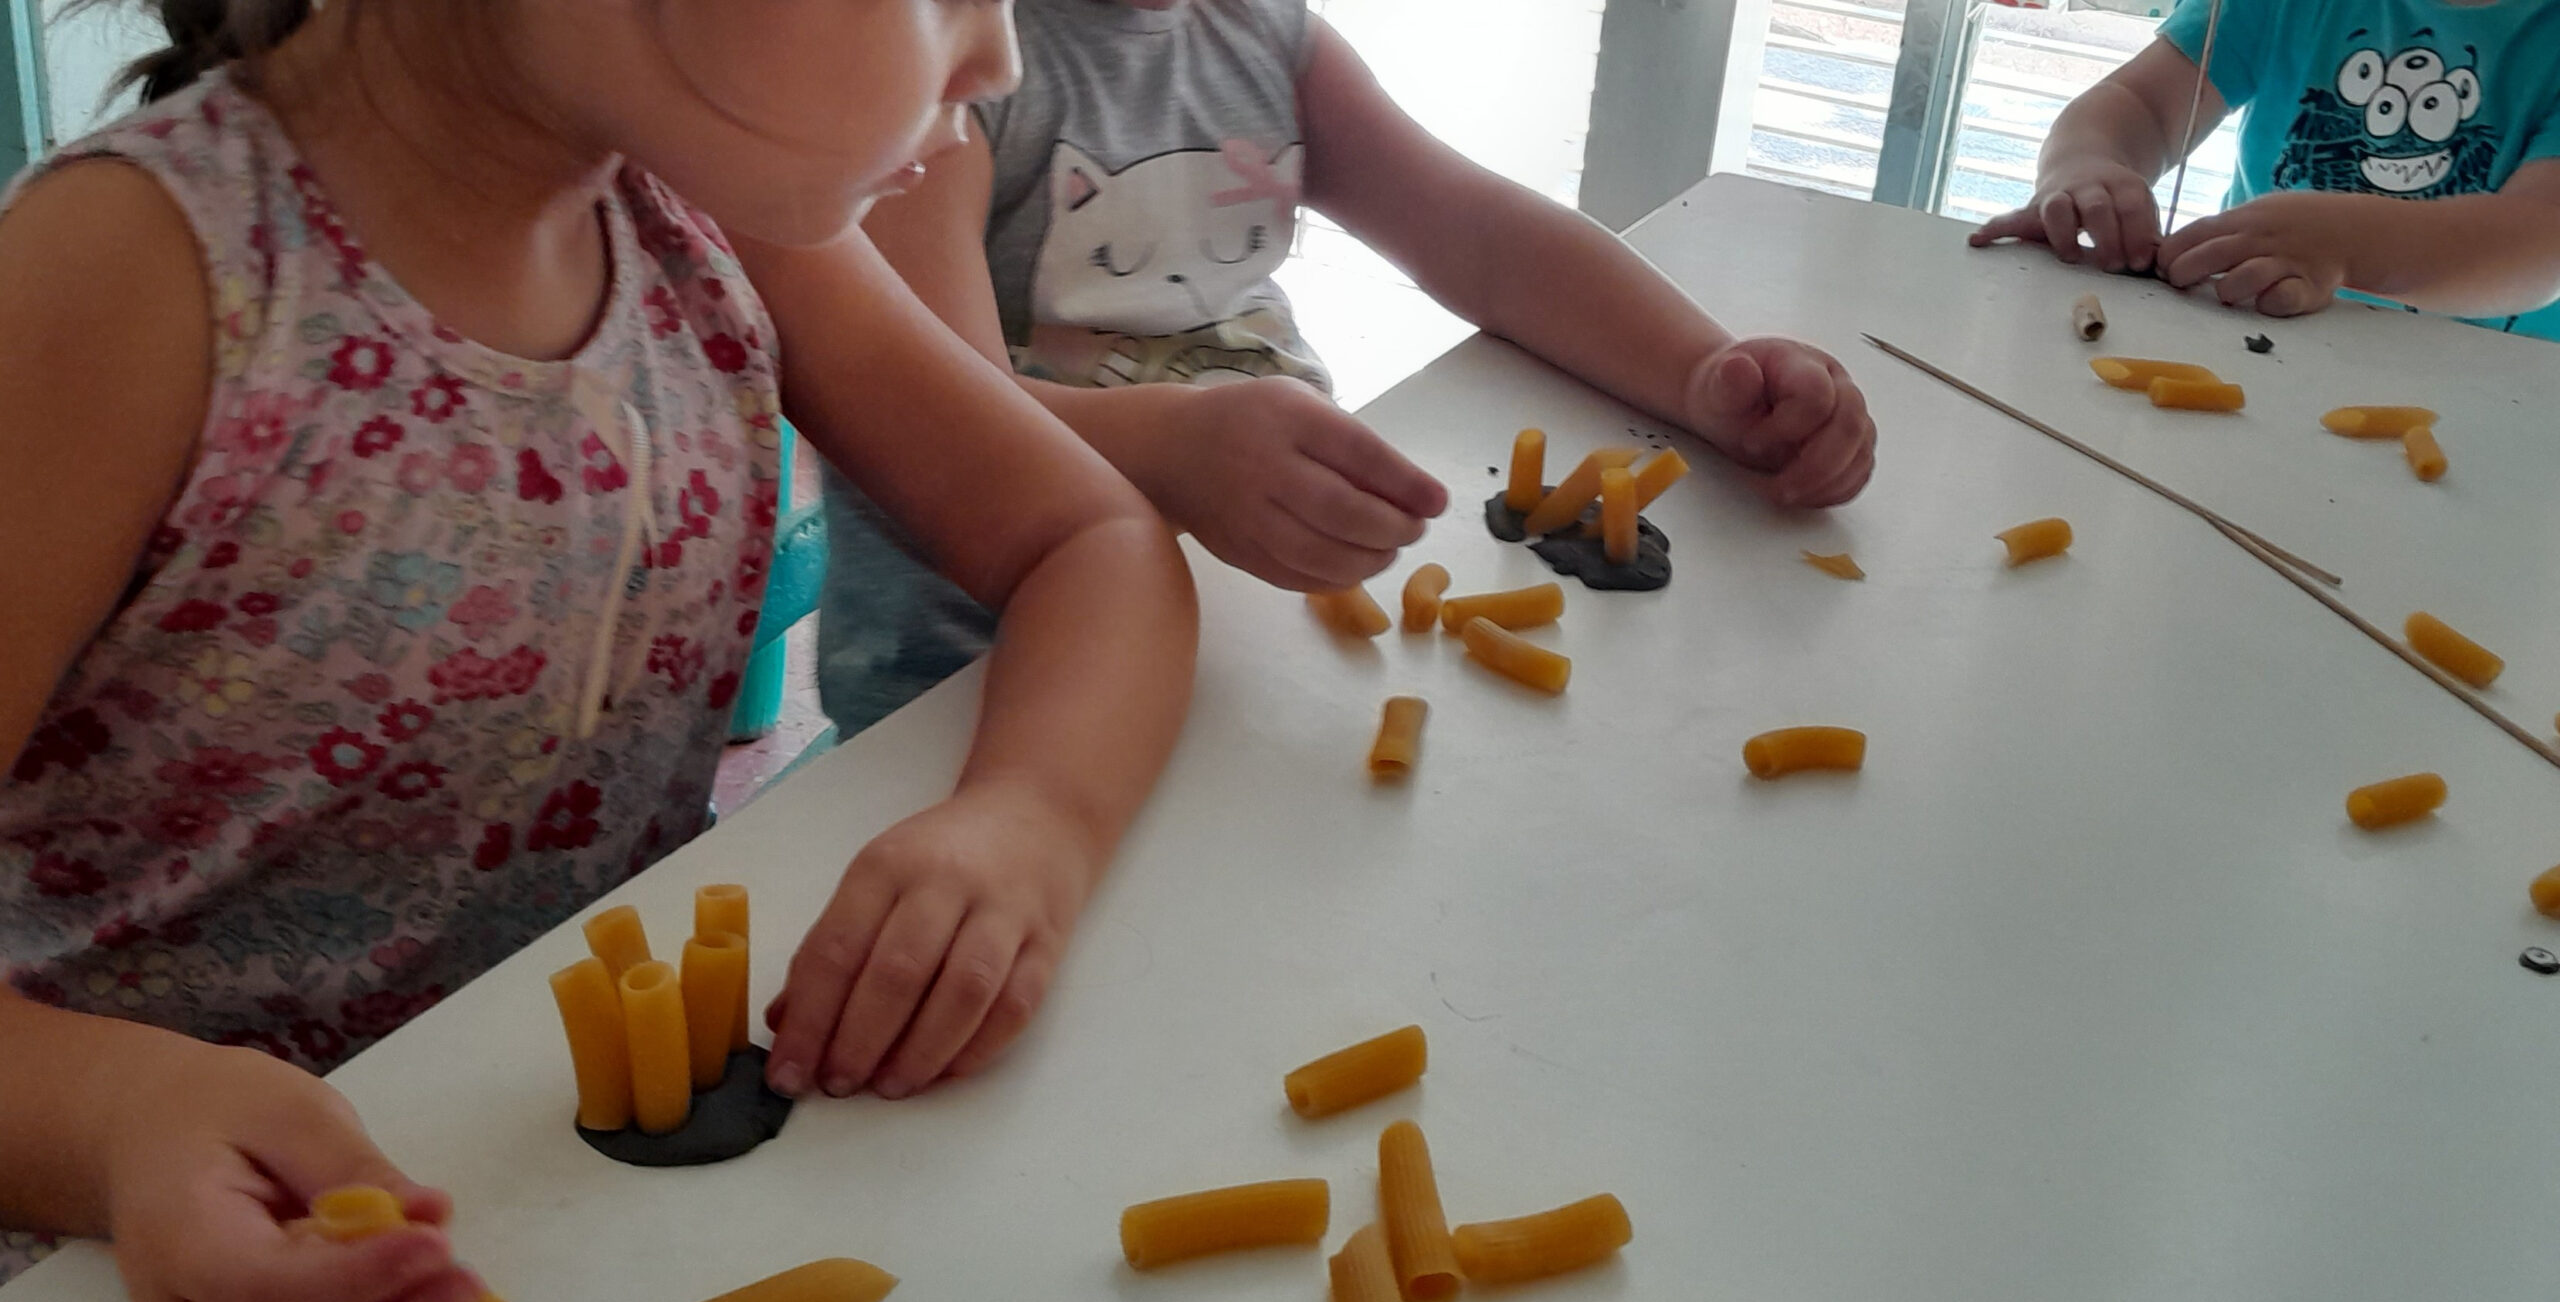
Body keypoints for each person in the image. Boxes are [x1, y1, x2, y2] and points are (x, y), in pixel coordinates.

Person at [0, 0, 1198, 1302]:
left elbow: (1091, 541)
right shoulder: (130, 278)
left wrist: (1032, 817)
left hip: (581, 1199)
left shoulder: (700, 197)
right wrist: (115, 1124)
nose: (998, 56)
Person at [812, 0, 1880, 736]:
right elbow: (929, 411)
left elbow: (1483, 239)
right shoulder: (947, 68)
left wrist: (1701, 372)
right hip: (981, 674)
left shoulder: (1263, 36)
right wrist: (1174, 451)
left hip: (1246, 632)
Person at [1969, 0, 2560, 337]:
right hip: (2260, 345)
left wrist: (2346, 245)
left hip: (2490, 402)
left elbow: (2542, 239)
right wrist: (2086, 164)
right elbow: (2143, 104)